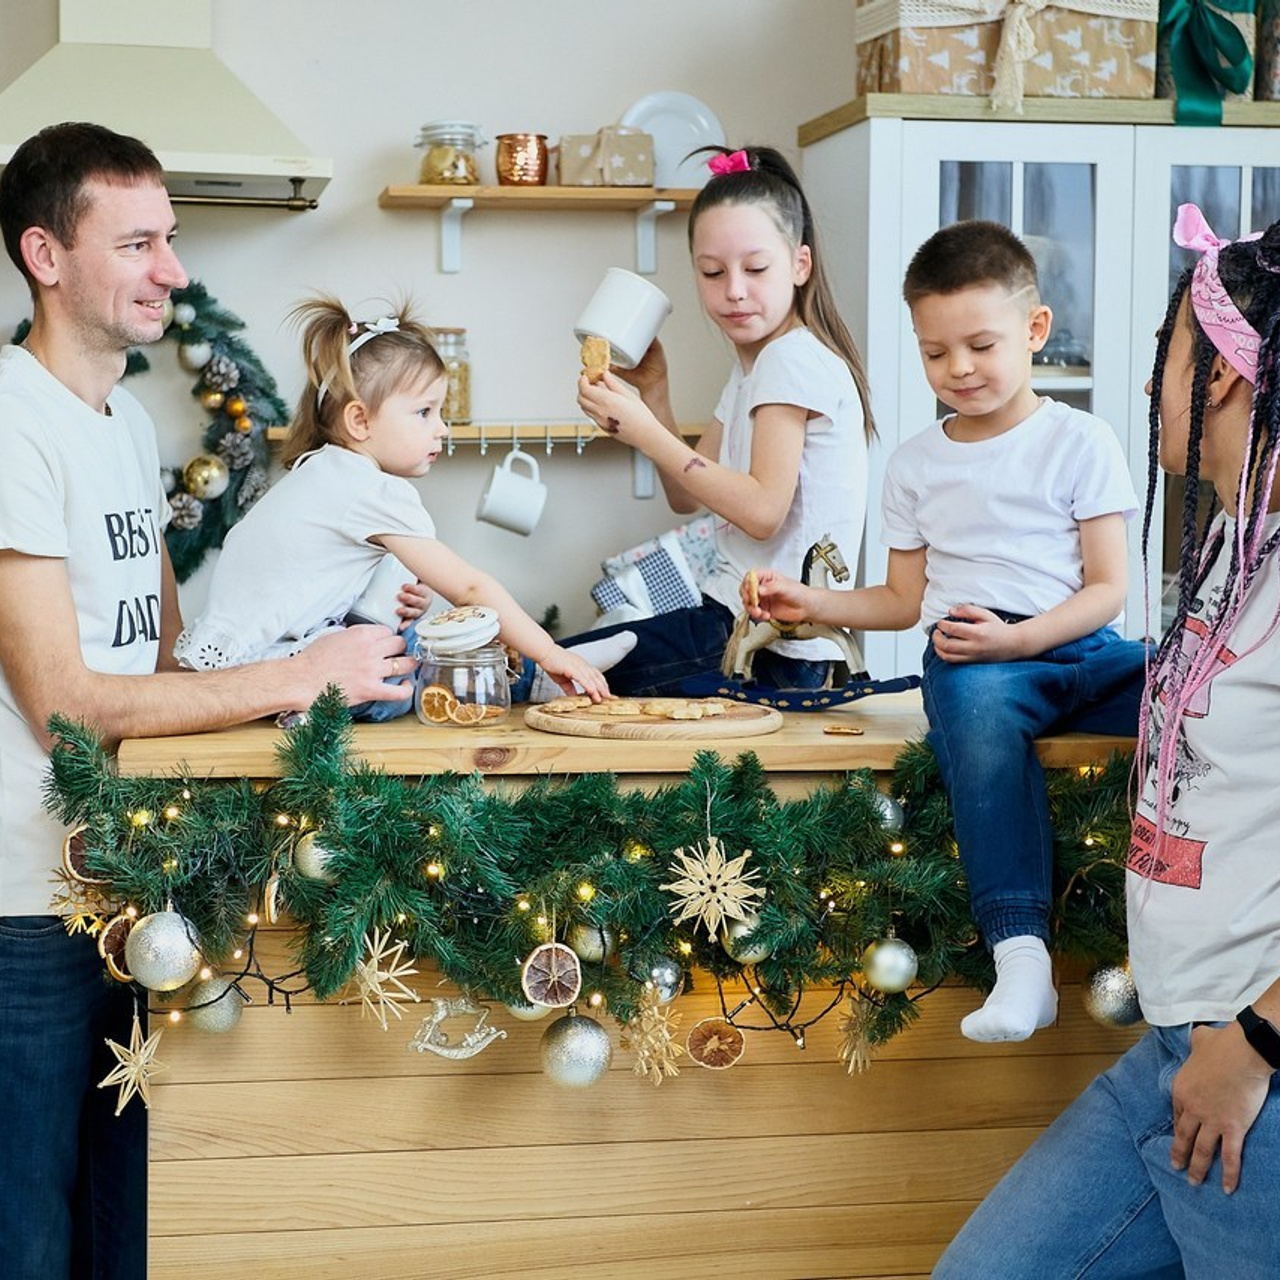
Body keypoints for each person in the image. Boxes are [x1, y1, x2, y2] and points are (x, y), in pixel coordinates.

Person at [0, 123, 414, 1280]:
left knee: (126, 1229)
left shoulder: (128, 422)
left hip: (132, 883)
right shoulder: (10, 420)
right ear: (46, 254)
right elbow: (70, 710)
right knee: (25, 1230)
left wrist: (312, 647)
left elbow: (169, 653)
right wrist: (298, 675)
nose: (172, 271)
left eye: (169, 239)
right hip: (22, 902)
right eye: (137, 243)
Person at [933, 207, 1280, 1276]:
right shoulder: (1230, 537)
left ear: (1219, 371)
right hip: (1181, 1043)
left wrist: (1255, 1043)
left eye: (1163, 355)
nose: (1145, 386)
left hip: (1252, 1063)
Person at [746, 220, 1147, 1043]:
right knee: (972, 702)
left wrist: (1026, 637)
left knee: (1193, 684)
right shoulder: (916, 465)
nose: (958, 369)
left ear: (1034, 331)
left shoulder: (1081, 440)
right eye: (936, 353)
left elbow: (1108, 589)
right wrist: (811, 604)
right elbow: (902, 599)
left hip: (1078, 652)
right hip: (981, 667)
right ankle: (1022, 956)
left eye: (980, 345)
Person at [176, 296, 620, 713]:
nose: (441, 429)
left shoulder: (322, 470)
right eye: (425, 412)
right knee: (407, 671)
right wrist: (550, 650)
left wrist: (405, 596)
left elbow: (309, 581)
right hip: (277, 674)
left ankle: (527, 675)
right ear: (360, 420)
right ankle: (540, 675)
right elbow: (469, 588)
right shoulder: (373, 490)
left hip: (233, 667)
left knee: (402, 629)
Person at [570, 144, 874, 696]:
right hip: (737, 626)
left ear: (800, 265)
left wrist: (642, 429)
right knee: (558, 662)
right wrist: (656, 398)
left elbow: (761, 511)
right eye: (712, 272)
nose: (733, 289)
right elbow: (689, 496)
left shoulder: (791, 361)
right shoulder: (753, 368)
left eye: (756, 268)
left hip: (773, 648)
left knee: (552, 668)